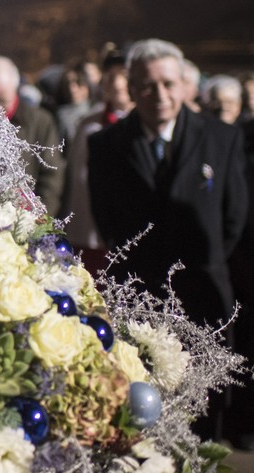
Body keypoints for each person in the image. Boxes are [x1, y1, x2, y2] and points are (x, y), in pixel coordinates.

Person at [88, 39, 248, 440]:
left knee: (204, 416)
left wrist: (203, 260)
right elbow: (107, 220)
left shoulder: (221, 138)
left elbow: (234, 215)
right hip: (141, 299)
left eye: (168, 84)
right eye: (146, 85)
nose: (159, 95)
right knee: (144, 418)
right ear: (131, 87)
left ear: (184, 86)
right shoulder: (106, 145)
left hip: (205, 297)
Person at [60, 49, 134, 273]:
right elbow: (74, 178)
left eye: (124, 76)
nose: (118, 84)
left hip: (131, 235)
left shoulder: (142, 126)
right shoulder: (89, 124)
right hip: (87, 234)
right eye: (111, 77)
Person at [0, 56, 67, 216]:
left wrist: (40, 218)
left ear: (15, 89)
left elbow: (51, 175)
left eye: (2, 101)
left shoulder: (40, 121)